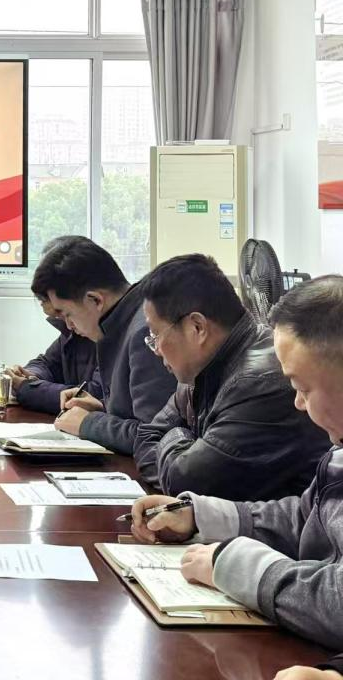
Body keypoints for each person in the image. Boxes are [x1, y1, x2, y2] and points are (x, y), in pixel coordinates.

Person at [129, 275, 343, 654]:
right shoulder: (337, 454)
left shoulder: (256, 380)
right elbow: (305, 517)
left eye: (302, 387)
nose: (297, 402)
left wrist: (236, 566)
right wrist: (200, 517)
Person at [133, 254, 328, 499]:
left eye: (155, 335)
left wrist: (177, 435)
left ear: (197, 328)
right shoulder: (200, 371)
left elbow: (185, 482)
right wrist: (186, 447)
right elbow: (146, 438)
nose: (156, 349)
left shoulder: (259, 382)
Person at [30, 236, 176, 454]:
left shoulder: (144, 333)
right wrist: (102, 407)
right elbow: (136, 414)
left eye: (67, 314)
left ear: (95, 300)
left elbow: (156, 437)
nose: (68, 325)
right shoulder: (119, 322)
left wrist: (88, 423)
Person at [9, 295, 101, 415]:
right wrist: (32, 375)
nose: (68, 325)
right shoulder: (71, 333)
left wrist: (26, 388)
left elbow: (94, 395)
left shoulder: (110, 338)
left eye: (65, 314)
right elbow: (47, 363)